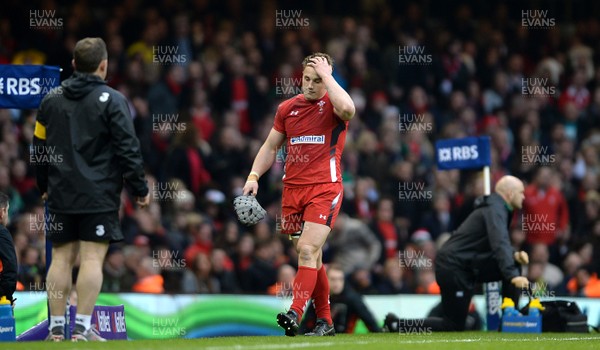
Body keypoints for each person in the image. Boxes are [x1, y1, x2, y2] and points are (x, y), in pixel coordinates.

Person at [33, 37, 149, 342]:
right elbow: (128, 147)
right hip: (98, 196)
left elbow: (39, 149)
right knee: (92, 260)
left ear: (74, 65)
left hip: (59, 193)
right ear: (103, 65)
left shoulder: (50, 100)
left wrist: (43, 185)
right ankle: (82, 330)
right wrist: (139, 186)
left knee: (60, 259)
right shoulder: (113, 100)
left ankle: (57, 330)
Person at [242, 52, 355, 336]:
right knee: (313, 258)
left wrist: (328, 76)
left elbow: (350, 110)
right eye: (306, 78)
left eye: (317, 80)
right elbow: (269, 147)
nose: (310, 85)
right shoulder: (287, 109)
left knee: (306, 250)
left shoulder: (334, 105)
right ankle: (326, 321)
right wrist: (254, 176)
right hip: (292, 192)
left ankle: (296, 311)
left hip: (324, 188)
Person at [387, 175, 530, 332]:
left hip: (467, 265)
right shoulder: (496, 209)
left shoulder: (497, 208)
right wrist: (512, 274)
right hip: (454, 267)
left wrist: (513, 256)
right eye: (521, 192)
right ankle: (397, 325)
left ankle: (510, 321)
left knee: (514, 264)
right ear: (509, 193)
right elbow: (499, 241)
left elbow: (494, 242)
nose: (523, 196)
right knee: (452, 325)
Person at [300, 264, 381, 334]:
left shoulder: (353, 298)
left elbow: (371, 323)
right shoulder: (318, 298)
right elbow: (307, 324)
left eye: (340, 279)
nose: (337, 283)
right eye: (333, 279)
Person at [0, 192, 17, 306]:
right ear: (2, 212)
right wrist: (6, 297)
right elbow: (10, 267)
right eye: (7, 211)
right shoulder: (1, 233)